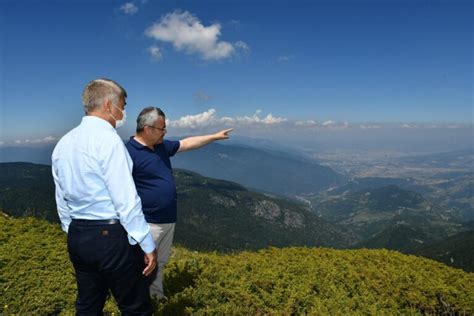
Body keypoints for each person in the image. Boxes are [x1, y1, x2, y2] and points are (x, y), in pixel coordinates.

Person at [52, 78, 157, 315]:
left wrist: (72, 230)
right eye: (123, 104)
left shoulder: (63, 143)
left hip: (79, 236)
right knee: (134, 307)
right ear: (109, 105)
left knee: (88, 304)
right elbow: (126, 200)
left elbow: (61, 197)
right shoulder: (109, 141)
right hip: (111, 239)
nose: (124, 111)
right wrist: (147, 244)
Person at [125, 106, 232, 299]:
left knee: (160, 262)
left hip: (167, 219)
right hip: (147, 222)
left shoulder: (161, 147)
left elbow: (187, 143)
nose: (165, 133)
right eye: (162, 129)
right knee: (142, 265)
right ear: (147, 128)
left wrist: (214, 137)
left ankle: (156, 297)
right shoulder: (127, 153)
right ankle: (136, 303)